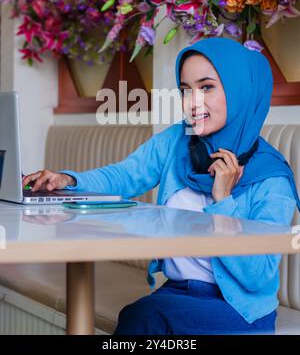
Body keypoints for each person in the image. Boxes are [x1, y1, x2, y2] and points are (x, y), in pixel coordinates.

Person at [22, 37, 300, 335]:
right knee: (142, 315)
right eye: (185, 90)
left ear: (239, 91)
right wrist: (68, 180)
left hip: (239, 311)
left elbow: (257, 277)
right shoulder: (177, 142)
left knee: (142, 317)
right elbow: (124, 175)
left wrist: (223, 201)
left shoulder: (272, 179)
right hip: (175, 294)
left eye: (206, 87)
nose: (193, 102)